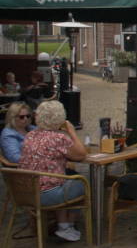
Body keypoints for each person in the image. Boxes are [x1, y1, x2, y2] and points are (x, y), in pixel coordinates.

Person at [19, 101, 87, 242]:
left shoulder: (30, 135)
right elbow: (81, 154)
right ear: (60, 118)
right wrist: (71, 131)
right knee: (82, 183)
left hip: (25, 192)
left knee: (62, 180)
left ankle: (63, 226)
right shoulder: (58, 138)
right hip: (46, 196)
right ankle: (68, 226)